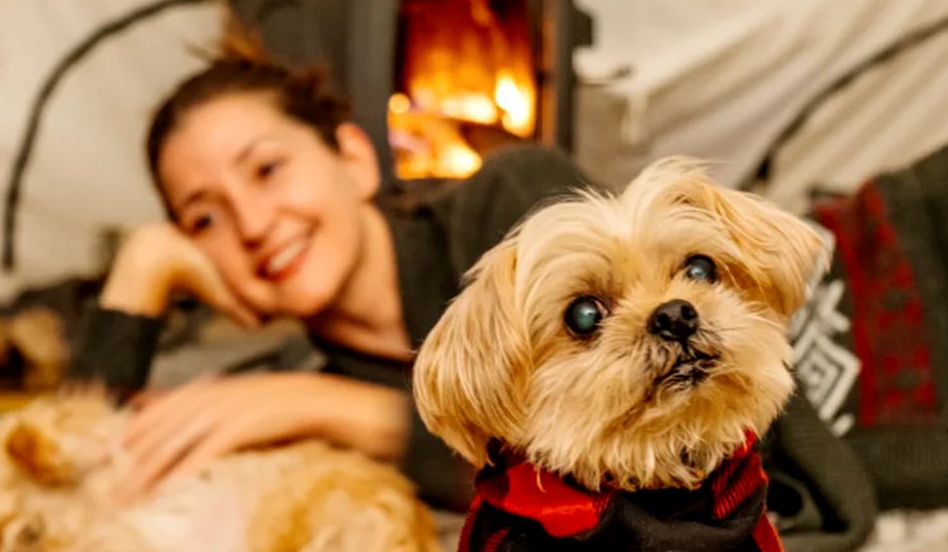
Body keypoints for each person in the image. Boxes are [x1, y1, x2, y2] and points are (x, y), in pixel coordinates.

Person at [68, 44, 587, 509]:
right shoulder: (302, 374)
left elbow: (595, 445)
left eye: (267, 169)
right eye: (204, 219)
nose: (252, 224)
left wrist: (334, 410)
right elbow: (72, 465)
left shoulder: (515, 201)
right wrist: (142, 269)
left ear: (355, 160)